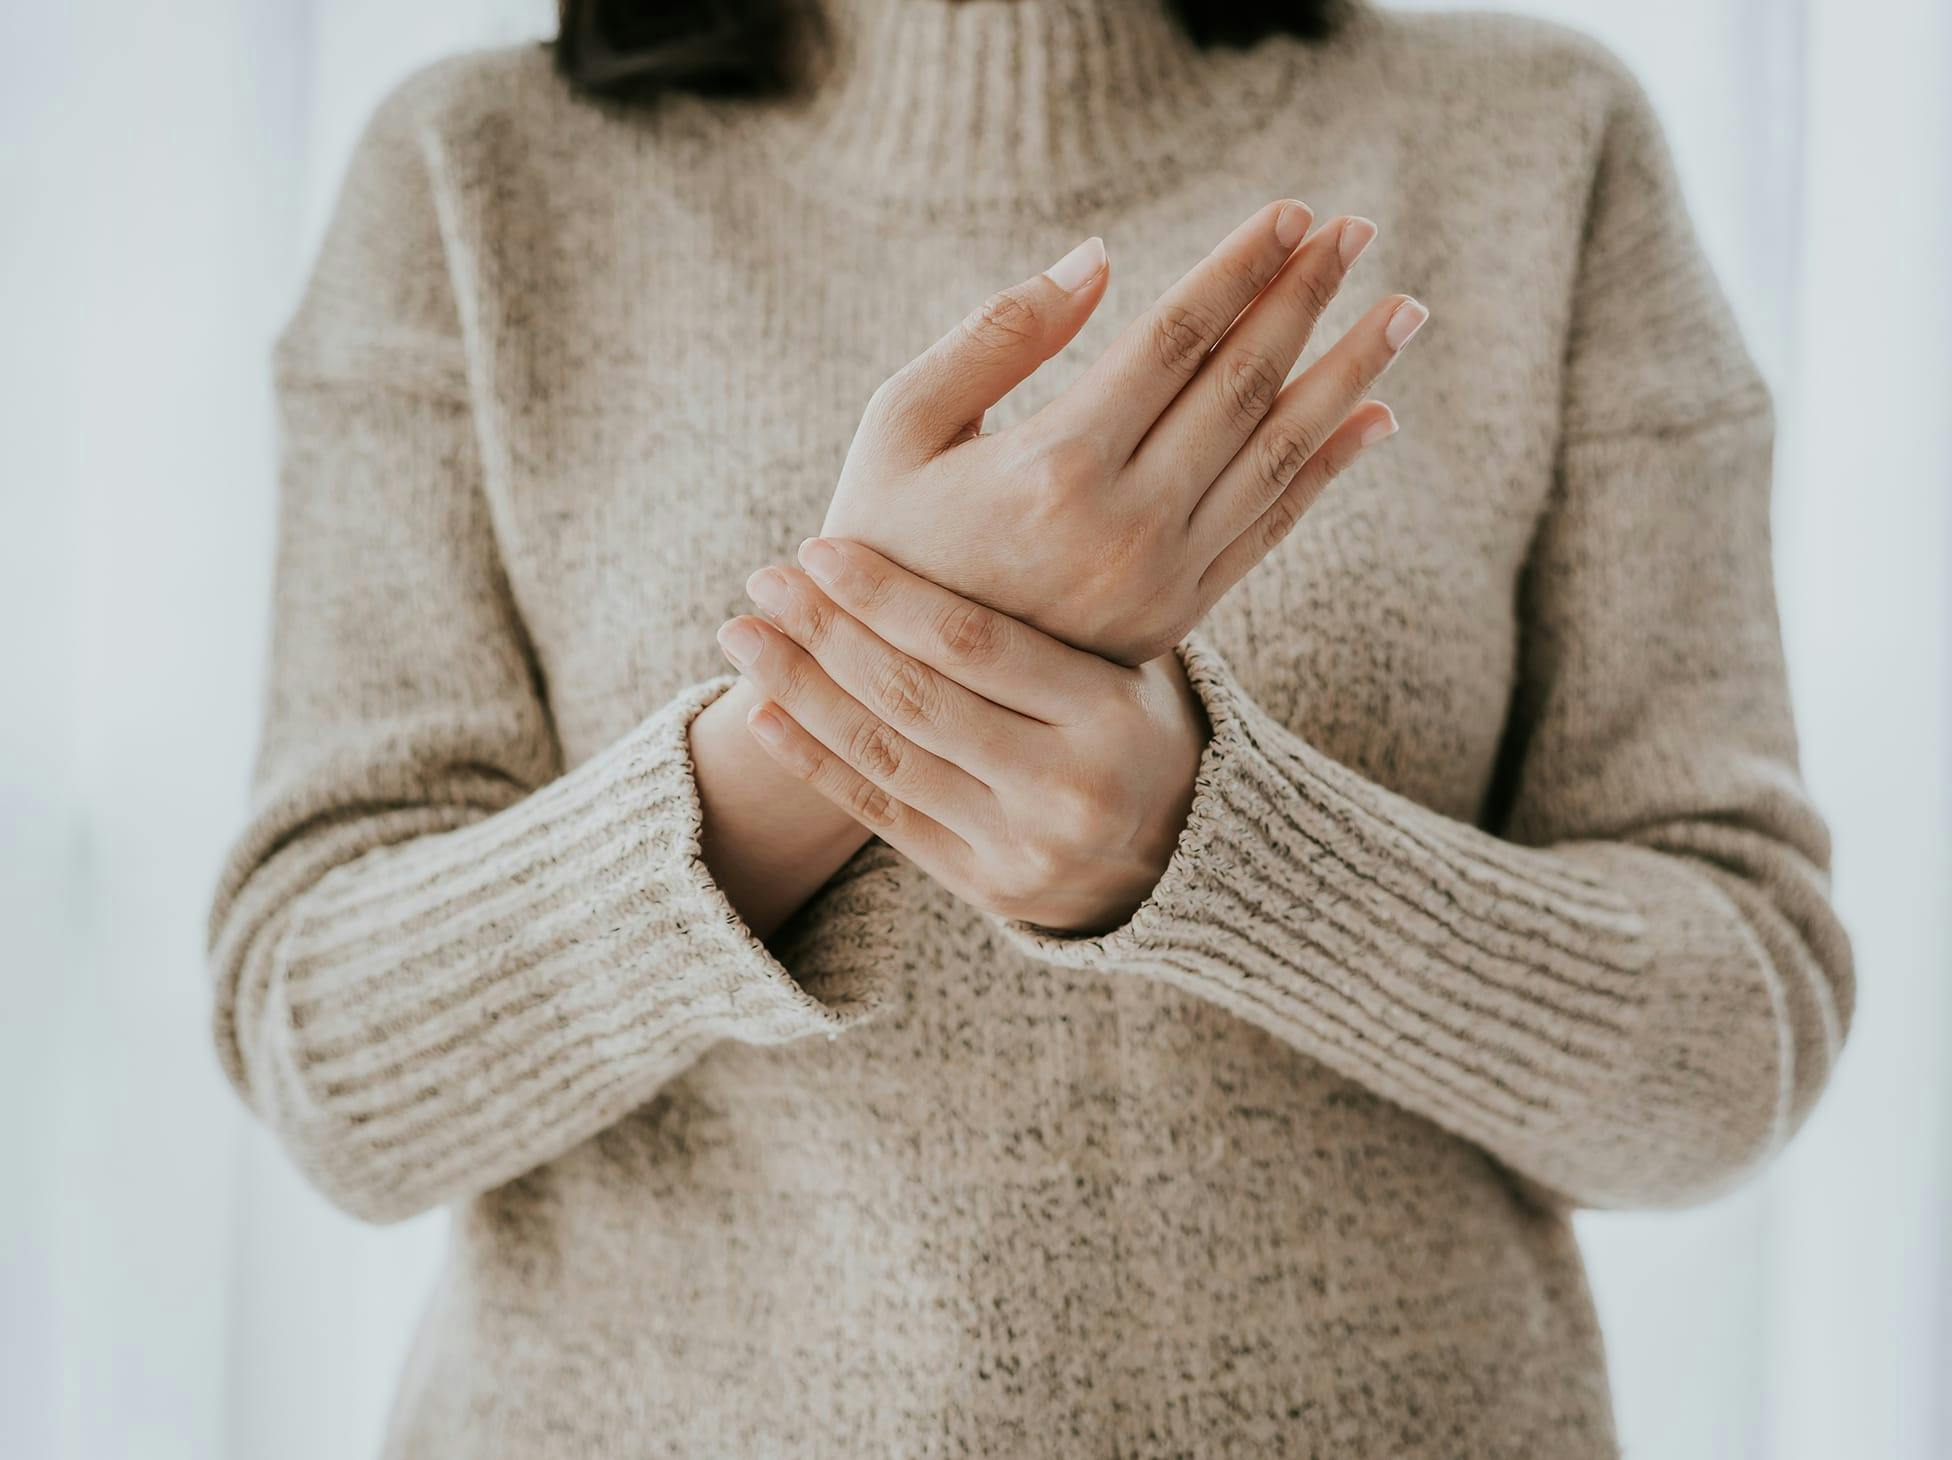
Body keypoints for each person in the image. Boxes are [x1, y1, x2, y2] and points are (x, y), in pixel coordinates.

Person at [207, 0, 1855, 1453]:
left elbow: (1733, 1052)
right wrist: (838, 724)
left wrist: (1203, 843)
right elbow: (332, 1070)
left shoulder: (1541, 141)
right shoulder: (472, 172)